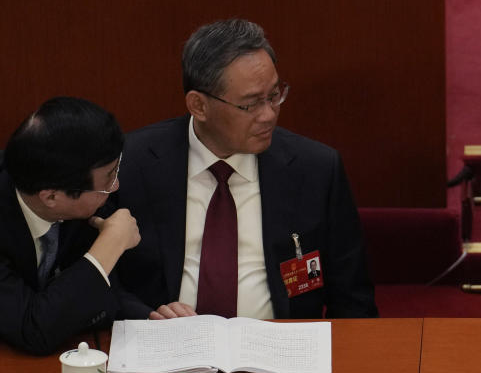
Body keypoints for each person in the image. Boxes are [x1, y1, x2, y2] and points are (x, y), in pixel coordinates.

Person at [112, 18, 377, 320]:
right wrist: (146, 315)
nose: (268, 115)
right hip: (164, 350)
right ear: (199, 106)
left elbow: (354, 300)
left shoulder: (316, 169)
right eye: (250, 104)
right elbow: (94, 277)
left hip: (281, 351)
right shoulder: (131, 162)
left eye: (274, 96)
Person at [0, 97, 141, 354]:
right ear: (51, 196)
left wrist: (151, 317)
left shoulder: (84, 192)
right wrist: (111, 243)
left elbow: (109, 296)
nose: (116, 186)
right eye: (108, 180)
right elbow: (33, 331)